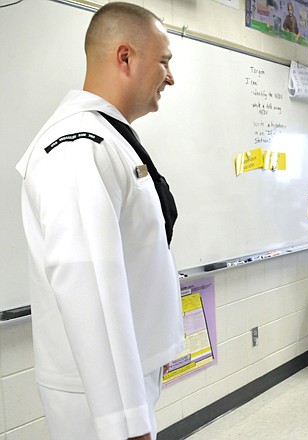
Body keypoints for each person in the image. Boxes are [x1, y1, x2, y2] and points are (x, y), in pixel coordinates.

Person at [15, 3, 184, 439]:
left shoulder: (110, 137)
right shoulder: (76, 147)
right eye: (164, 61)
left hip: (123, 380)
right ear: (125, 57)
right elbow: (87, 285)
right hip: (99, 399)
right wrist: (125, 423)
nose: (171, 77)